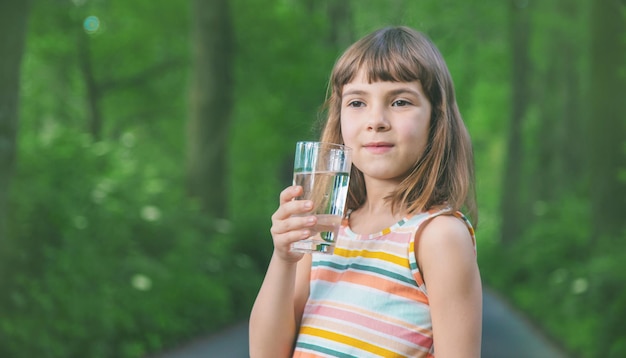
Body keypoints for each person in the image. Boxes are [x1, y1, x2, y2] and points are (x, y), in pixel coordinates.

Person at [249, 26, 482, 358]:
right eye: (357, 102)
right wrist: (284, 258)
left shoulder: (437, 236)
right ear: (340, 116)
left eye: (400, 101)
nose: (376, 120)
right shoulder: (325, 226)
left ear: (436, 118)